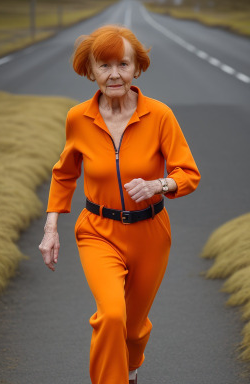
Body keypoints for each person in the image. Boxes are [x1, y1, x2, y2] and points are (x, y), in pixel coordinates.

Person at [39, 24, 201, 384]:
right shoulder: (78, 118)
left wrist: (161, 184)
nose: (114, 75)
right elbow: (64, 174)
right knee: (111, 315)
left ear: (137, 68)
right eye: (104, 66)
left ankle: (130, 368)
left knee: (133, 326)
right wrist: (51, 229)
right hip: (98, 231)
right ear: (90, 71)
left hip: (151, 234)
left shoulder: (160, 116)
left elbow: (188, 173)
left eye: (123, 65)